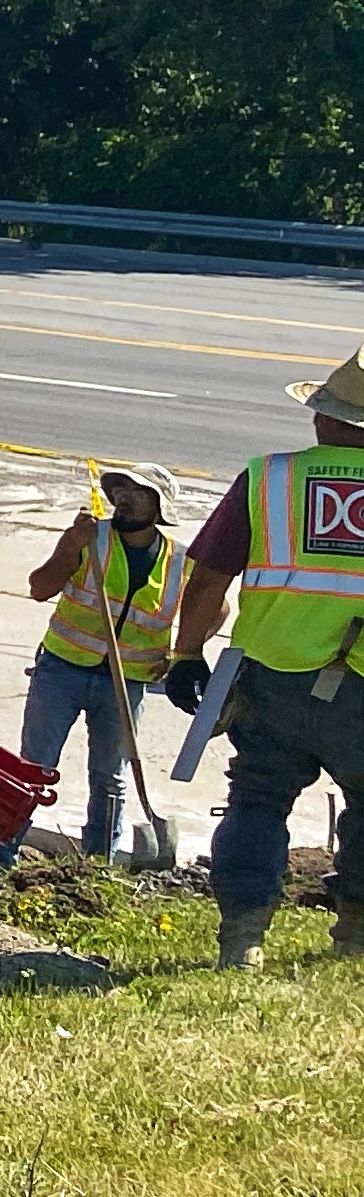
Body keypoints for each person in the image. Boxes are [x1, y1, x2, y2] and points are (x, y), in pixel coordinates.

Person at [164, 349, 364, 970]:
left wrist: (188, 653)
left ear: (324, 421)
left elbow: (205, 584)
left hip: (275, 678)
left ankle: (242, 939)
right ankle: (355, 939)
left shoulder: (269, 480)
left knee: (257, 799)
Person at [11, 467, 182, 866]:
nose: (125, 497)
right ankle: (3, 849)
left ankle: (98, 865)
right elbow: (40, 588)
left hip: (125, 683)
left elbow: (216, 607)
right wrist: (70, 546)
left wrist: (181, 654)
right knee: (33, 767)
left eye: (139, 492)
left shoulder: (178, 561)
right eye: (121, 490)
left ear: (159, 507)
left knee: (110, 777)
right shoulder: (92, 539)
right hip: (62, 670)